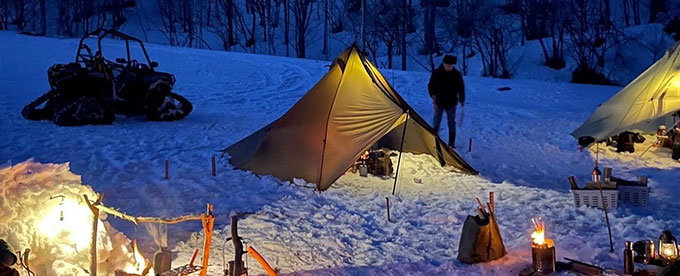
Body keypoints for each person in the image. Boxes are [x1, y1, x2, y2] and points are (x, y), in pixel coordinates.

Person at [428, 55, 465, 147]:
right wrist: (432, 94)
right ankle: (434, 140)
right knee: (436, 121)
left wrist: (462, 99)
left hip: (451, 102)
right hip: (439, 101)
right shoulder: (437, 73)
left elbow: (461, 87)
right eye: (447, 65)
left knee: (451, 123)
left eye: (451, 65)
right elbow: (431, 85)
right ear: (443, 64)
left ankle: (451, 143)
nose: (448, 67)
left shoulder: (456, 74)